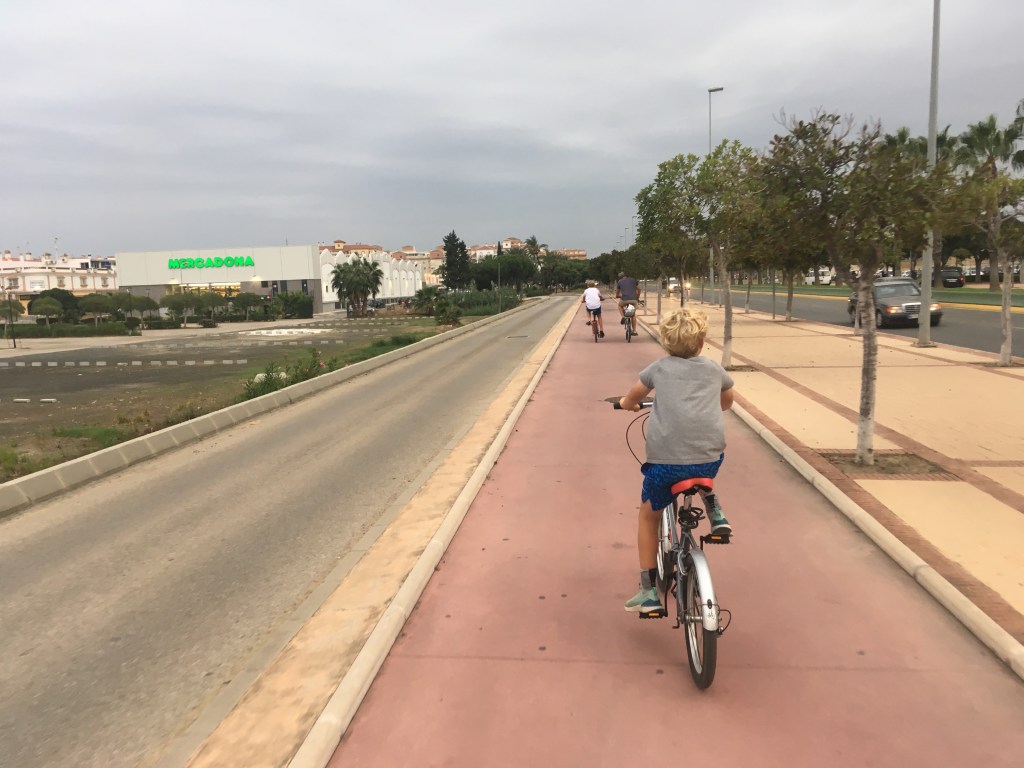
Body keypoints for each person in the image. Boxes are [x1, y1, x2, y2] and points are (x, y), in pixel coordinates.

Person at [617, 307, 734, 615]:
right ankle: (715, 511)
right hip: (709, 460)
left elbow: (632, 397)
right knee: (703, 465)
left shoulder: (658, 368)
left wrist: (627, 404)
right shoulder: (714, 369)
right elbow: (726, 402)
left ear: (665, 342)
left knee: (648, 516)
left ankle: (648, 592)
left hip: (665, 465)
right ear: (702, 341)